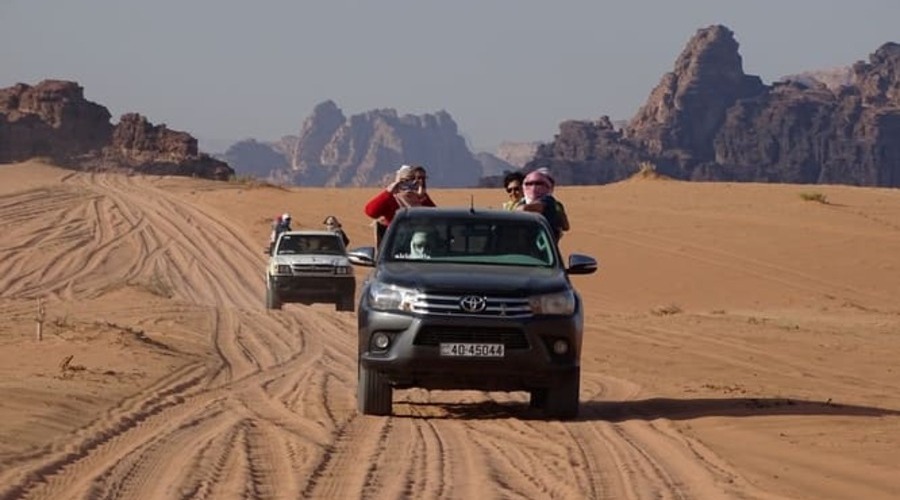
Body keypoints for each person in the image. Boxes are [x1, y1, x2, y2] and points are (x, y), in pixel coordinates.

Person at [364, 164, 435, 251]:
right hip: (396, 250)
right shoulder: (392, 199)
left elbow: (435, 217)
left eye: (420, 179)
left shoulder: (422, 199)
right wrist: (388, 192)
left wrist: (422, 197)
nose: (410, 184)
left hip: (422, 248)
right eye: (406, 181)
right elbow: (371, 211)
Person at [518, 169, 569, 241]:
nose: (534, 188)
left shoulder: (549, 201)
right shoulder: (522, 202)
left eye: (539, 183)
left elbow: (565, 226)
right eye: (530, 184)